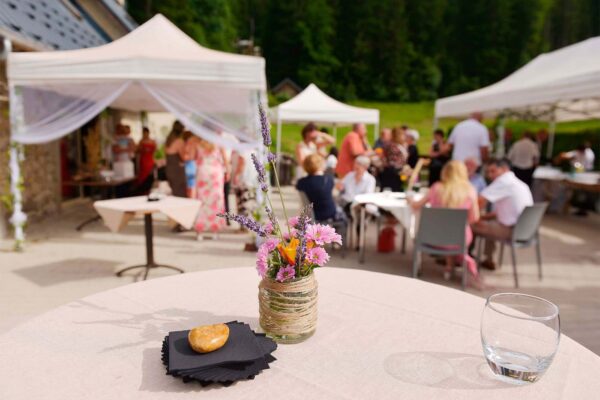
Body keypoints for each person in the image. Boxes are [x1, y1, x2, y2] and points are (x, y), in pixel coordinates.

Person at [408, 160, 482, 287]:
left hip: (432, 237)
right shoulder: (470, 191)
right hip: (459, 239)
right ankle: (449, 267)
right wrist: (458, 224)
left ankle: (449, 267)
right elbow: (474, 218)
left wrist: (409, 199)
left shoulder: (436, 188)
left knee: (444, 230)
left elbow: (416, 206)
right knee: (456, 230)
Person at [472, 158, 533, 270]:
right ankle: (489, 259)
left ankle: (459, 259)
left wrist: (471, 216)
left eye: (493, 171)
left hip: (512, 231)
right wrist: (482, 217)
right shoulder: (520, 184)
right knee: (489, 222)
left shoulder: (503, 181)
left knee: (470, 225)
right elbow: (503, 214)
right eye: (488, 172)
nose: (490, 175)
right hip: (526, 232)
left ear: (504, 169)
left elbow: (479, 201)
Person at [194, 137, 226, 237]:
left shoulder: (198, 143)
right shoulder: (219, 142)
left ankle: (200, 231)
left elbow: (195, 158)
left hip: (203, 171)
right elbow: (225, 160)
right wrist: (228, 172)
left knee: (202, 201)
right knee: (216, 201)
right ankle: (214, 231)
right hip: (215, 173)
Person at [296, 154, 343, 222]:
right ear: (320, 165)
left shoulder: (301, 182)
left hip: (311, 215)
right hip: (328, 214)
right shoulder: (328, 180)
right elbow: (334, 195)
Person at [380, 127, 408, 192]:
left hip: (398, 172)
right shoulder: (392, 146)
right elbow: (394, 161)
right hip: (392, 173)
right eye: (403, 135)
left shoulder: (399, 145)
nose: (404, 137)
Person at [164, 120, 187, 198]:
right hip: (177, 170)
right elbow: (183, 157)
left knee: (174, 192)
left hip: (169, 169)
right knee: (180, 194)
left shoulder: (168, 141)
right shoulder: (179, 141)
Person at [135, 127, 156, 192]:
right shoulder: (141, 141)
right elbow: (137, 151)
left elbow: (155, 151)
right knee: (143, 176)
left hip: (150, 160)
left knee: (150, 175)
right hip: (144, 160)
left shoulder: (152, 141)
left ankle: (148, 189)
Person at [182, 131, 198, 198]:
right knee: (191, 187)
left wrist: (183, 158)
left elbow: (191, 156)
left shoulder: (187, 145)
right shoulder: (192, 144)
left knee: (190, 187)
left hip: (189, 166)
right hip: (191, 166)